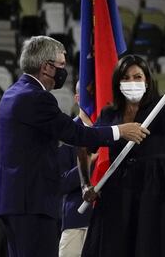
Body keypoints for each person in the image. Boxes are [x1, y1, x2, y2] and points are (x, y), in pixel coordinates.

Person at [0, 36, 150, 257]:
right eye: (61, 66)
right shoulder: (36, 98)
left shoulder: (12, 93)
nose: (63, 72)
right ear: (46, 67)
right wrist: (120, 131)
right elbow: (76, 133)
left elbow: (40, 147)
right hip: (31, 203)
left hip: (15, 201)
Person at [79, 54, 165, 257]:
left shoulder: (160, 107)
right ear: (118, 82)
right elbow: (84, 147)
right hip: (117, 191)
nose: (132, 82)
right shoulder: (109, 114)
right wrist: (85, 184)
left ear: (147, 80)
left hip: (155, 189)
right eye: (126, 78)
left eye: (137, 77)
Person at [58, 81, 96, 257]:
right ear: (77, 98)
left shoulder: (115, 130)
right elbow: (61, 182)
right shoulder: (67, 133)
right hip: (77, 220)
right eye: (89, 93)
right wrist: (89, 161)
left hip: (109, 219)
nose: (94, 97)